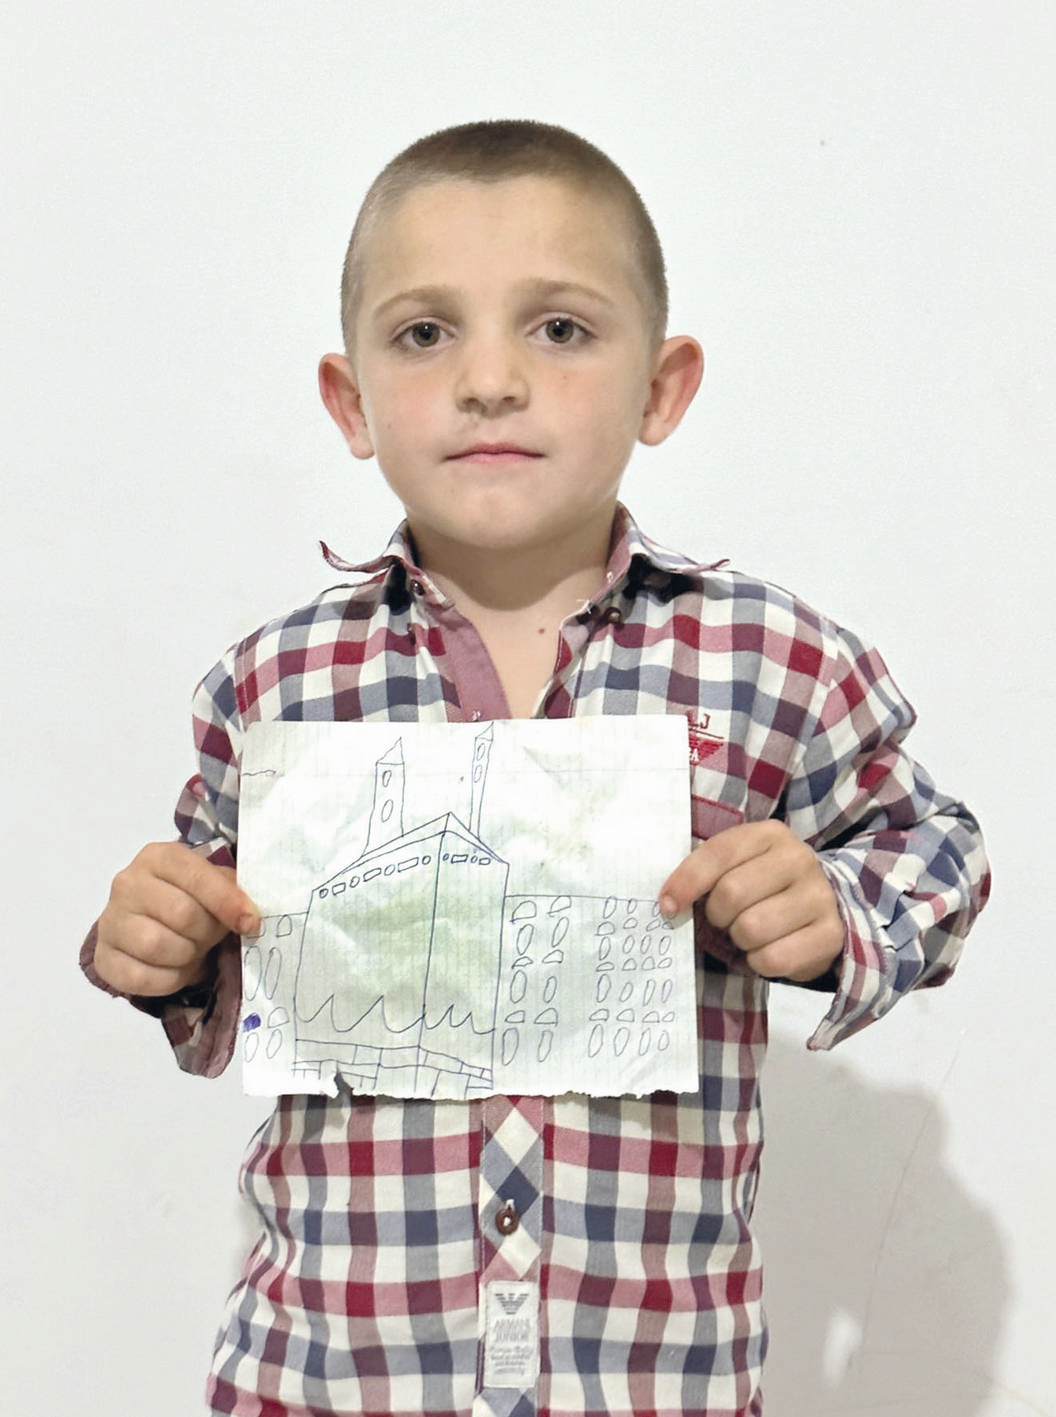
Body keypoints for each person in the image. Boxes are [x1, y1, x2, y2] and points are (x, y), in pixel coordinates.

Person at [82, 119, 990, 1417]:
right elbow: (214, 947)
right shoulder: (270, 684)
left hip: (652, 1380)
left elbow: (934, 851)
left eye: (559, 328)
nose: (491, 380)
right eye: (424, 333)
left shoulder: (774, 660)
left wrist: (834, 910)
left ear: (661, 388)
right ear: (349, 401)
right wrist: (162, 946)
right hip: (325, 1375)